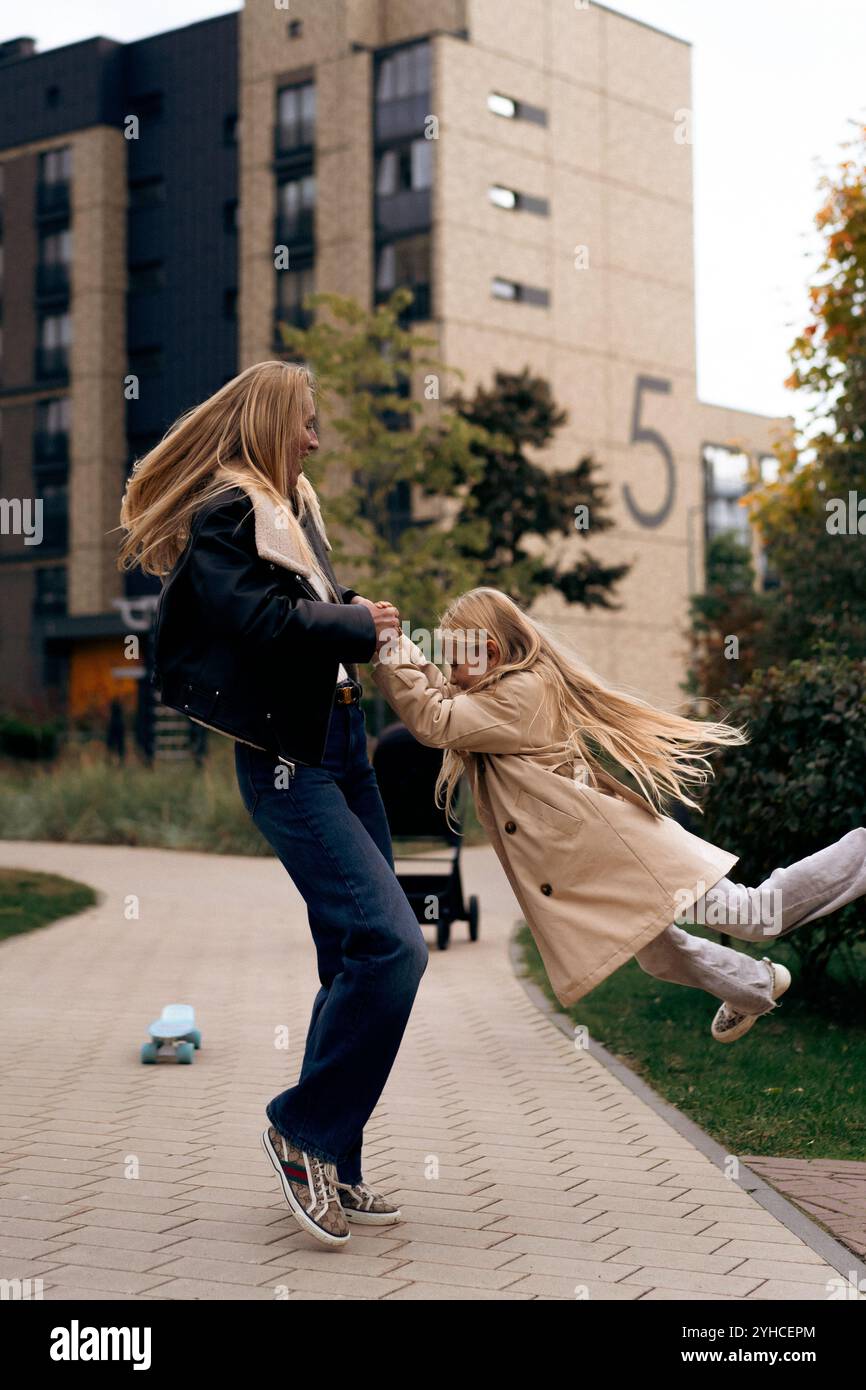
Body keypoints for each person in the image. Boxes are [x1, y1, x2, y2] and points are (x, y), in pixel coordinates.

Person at [117, 359, 428, 1248]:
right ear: (270, 422)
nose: (316, 437)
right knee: (394, 947)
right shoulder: (227, 511)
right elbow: (256, 622)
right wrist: (357, 622)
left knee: (353, 963)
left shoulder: (292, 511)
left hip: (341, 745)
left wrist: (358, 621)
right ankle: (300, 1129)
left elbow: (303, 619)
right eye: (307, 421)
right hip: (289, 762)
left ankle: (335, 1159)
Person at [370, 587, 866, 1042]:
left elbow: (435, 718)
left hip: (623, 850)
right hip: (599, 859)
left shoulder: (522, 694)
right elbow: (441, 697)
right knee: (657, 953)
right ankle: (755, 984)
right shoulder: (500, 694)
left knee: (755, 915)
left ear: (491, 654)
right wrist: (395, 643)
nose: (453, 675)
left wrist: (391, 649)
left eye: (457, 663)